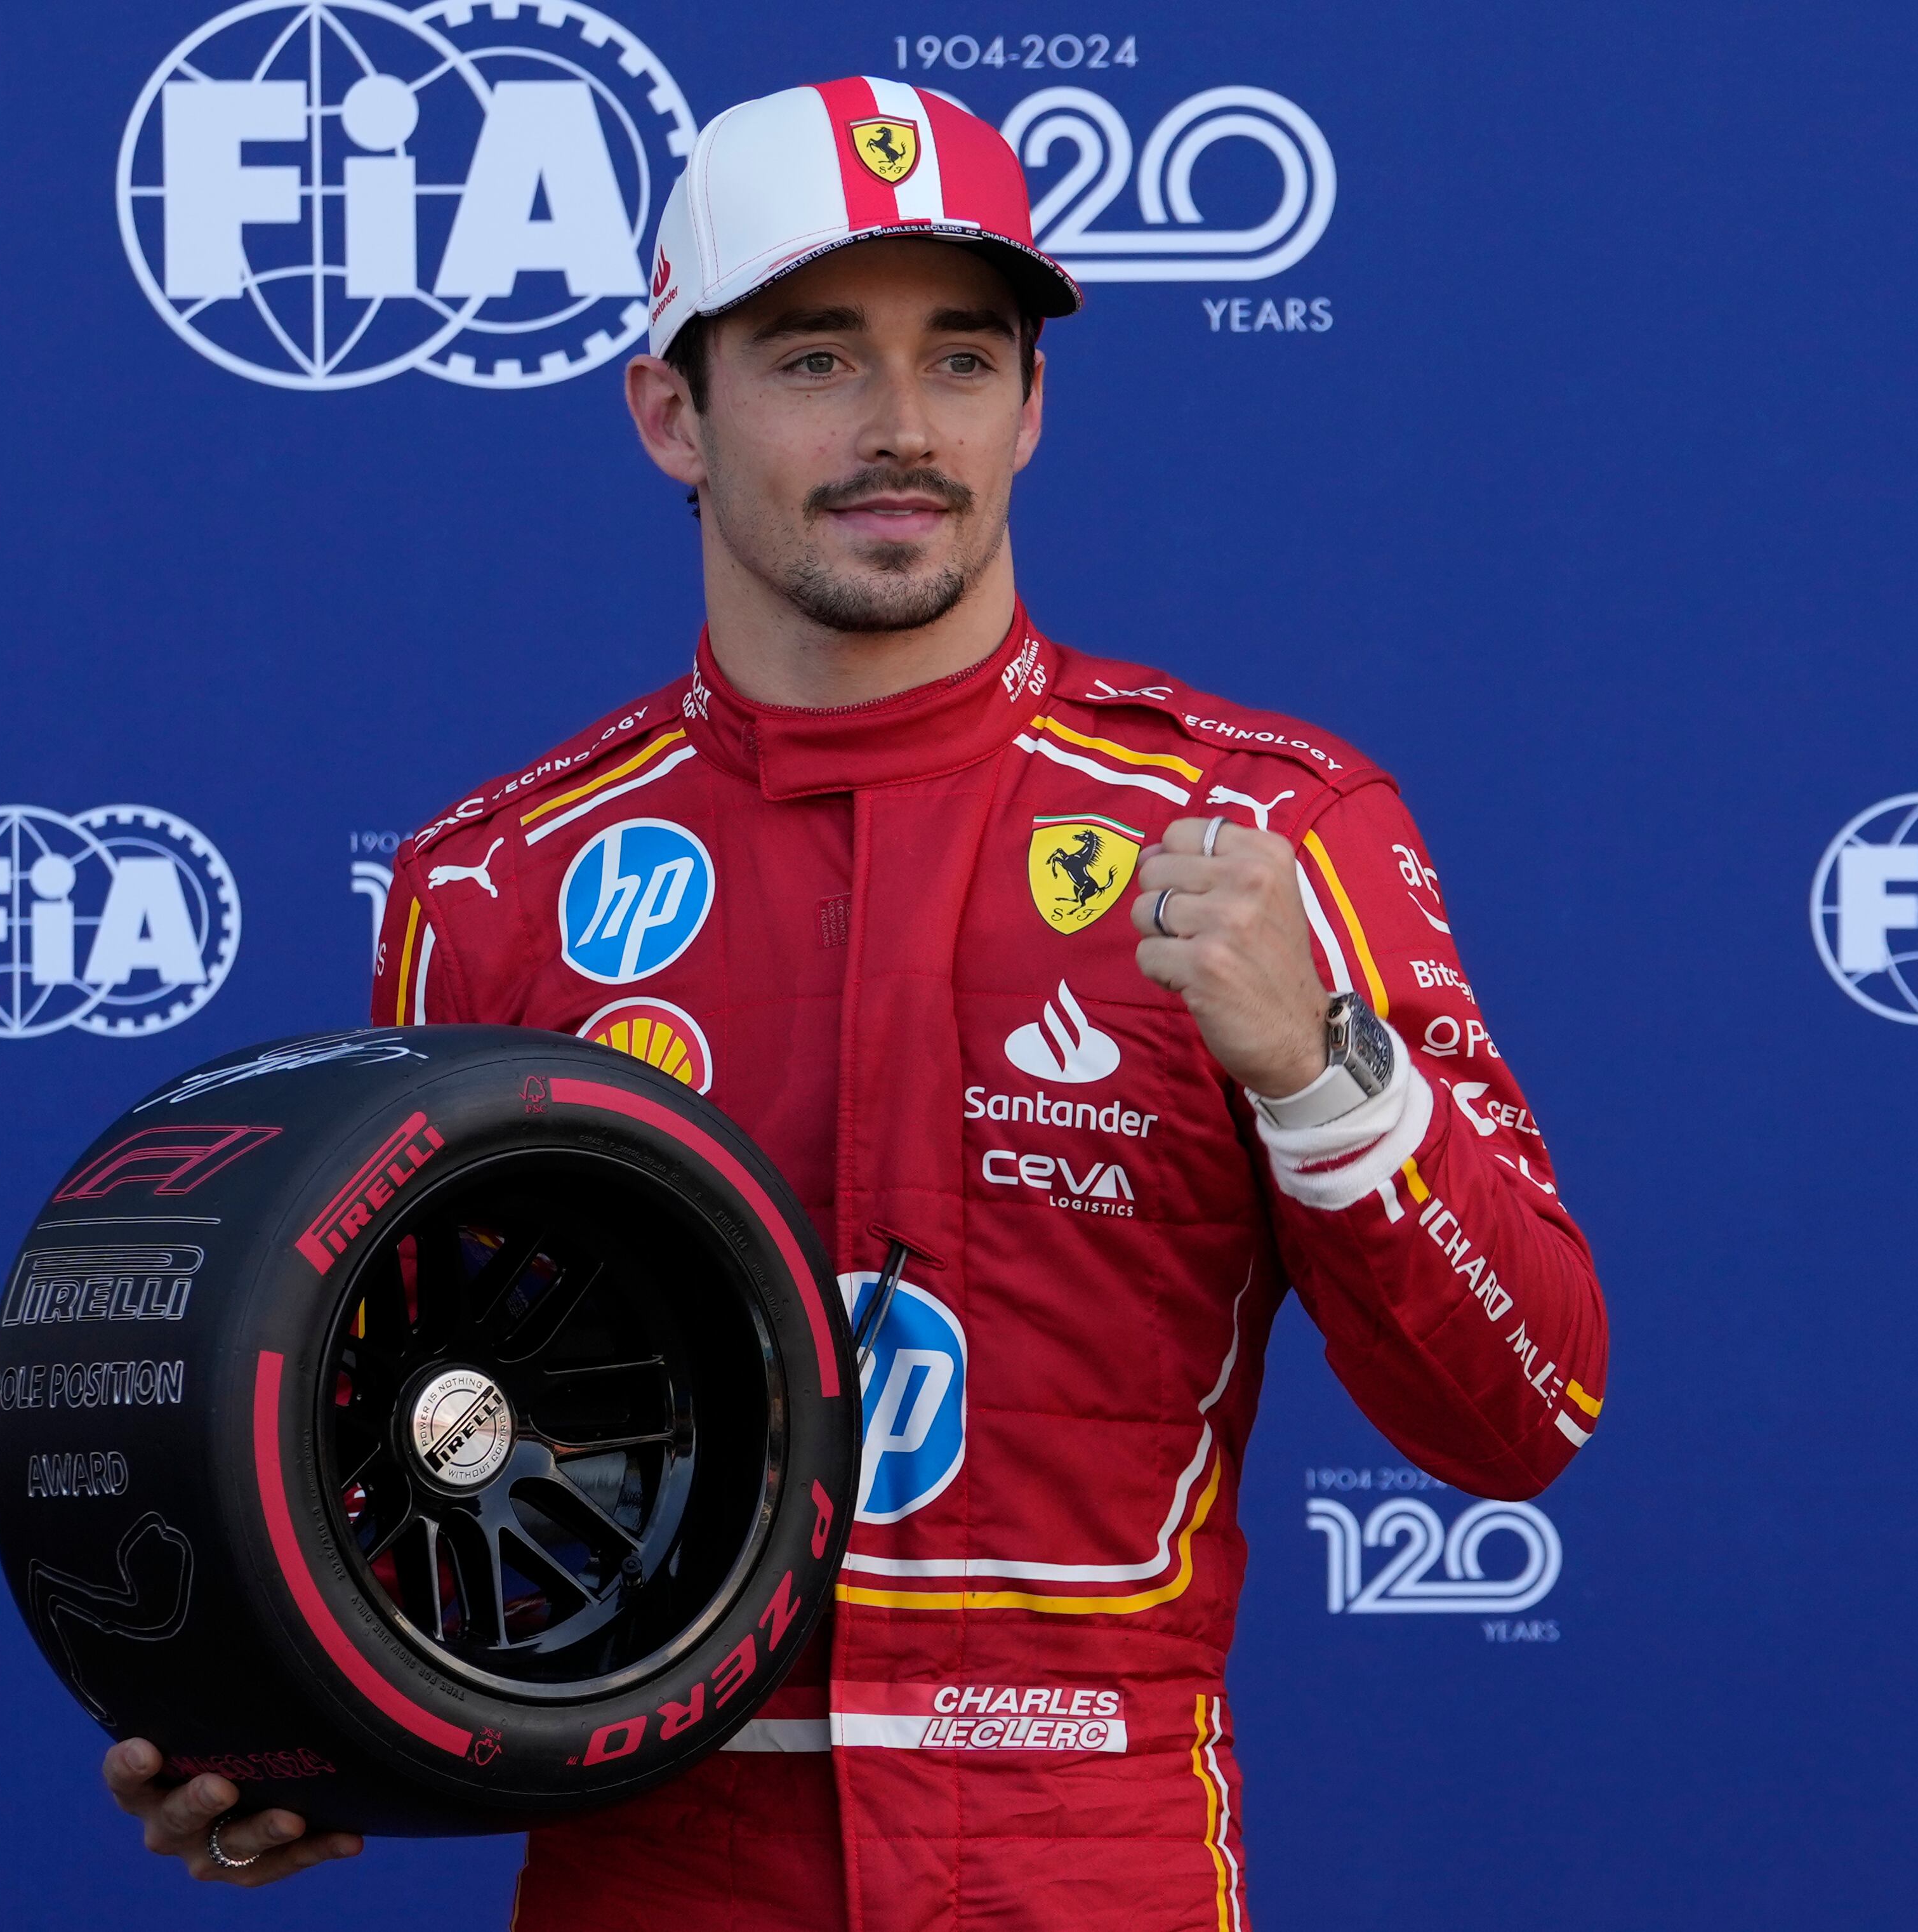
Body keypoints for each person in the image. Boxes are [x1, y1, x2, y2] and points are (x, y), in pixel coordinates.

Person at [105, 74, 1608, 1929]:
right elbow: (393, 1462)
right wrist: (296, 1731)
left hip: (1091, 1856)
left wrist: (1323, 1077)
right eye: (817, 359)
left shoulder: (1273, 830)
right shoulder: (494, 887)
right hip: (655, 1867)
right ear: (671, 410)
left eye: (961, 360)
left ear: (1032, 405)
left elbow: (1527, 1412)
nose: (903, 427)